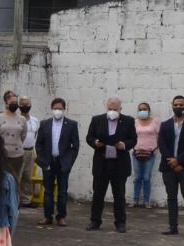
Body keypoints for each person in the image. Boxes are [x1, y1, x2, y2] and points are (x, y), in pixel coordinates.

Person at [85, 97, 137, 233]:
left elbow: (133, 139)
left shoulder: (128, 121)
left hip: (119, 163)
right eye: (110, 109)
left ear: (120, 109)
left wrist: (124, 145)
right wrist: (95, 142)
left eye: (115, 109)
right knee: (98, 194)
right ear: (106, 108)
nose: (112, 111)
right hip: (101, 163)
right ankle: (95, 221)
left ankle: (120, 222)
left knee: (119, 195)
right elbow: (89, 137)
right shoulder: (97, 119)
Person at [157, 95, 184, 238]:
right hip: (168, 167)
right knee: (171, 198)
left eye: (181, 104)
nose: (178, 107)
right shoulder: (165, 125)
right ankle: (172, 227)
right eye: (176, 104)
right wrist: (171, 161)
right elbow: (162, 144)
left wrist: (179, 161)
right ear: (172, 106)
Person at [34, 98, 80, 227]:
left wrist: (69, 162)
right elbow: (39, 144)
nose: (57, 111)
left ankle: (61, 216)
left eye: (60, 108)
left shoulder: (71, 124)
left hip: (63, 163)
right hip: (48, 162)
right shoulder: (45, 124)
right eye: (55, 108)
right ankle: (47, 216)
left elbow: (75, 146)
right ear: (51, 109)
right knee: (48, 191)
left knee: (62, 191)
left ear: (64, 109)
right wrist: (43, 161)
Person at [0, 91, 31, 208]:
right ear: (6, 102)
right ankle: (0, 205)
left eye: (15, 102)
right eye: (12, 102)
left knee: (15, 181)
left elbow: (23, 136)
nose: (14, 104)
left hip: (17, 156)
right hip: (1, 156)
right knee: (1, 181)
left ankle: (14, 206)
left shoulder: (22, 119)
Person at [131, 102, 158, 208]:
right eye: (141, 109)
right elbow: (131, 136)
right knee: (137, 177)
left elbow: (160, 136)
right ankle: (135, 200)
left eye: (145, 109)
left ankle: (146, 201)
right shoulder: (134, 122)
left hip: (150, 154)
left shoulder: (155, 122)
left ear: (149, 110)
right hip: (136, 153)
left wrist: (156, 148)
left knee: (146, 177)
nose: (143, 111)